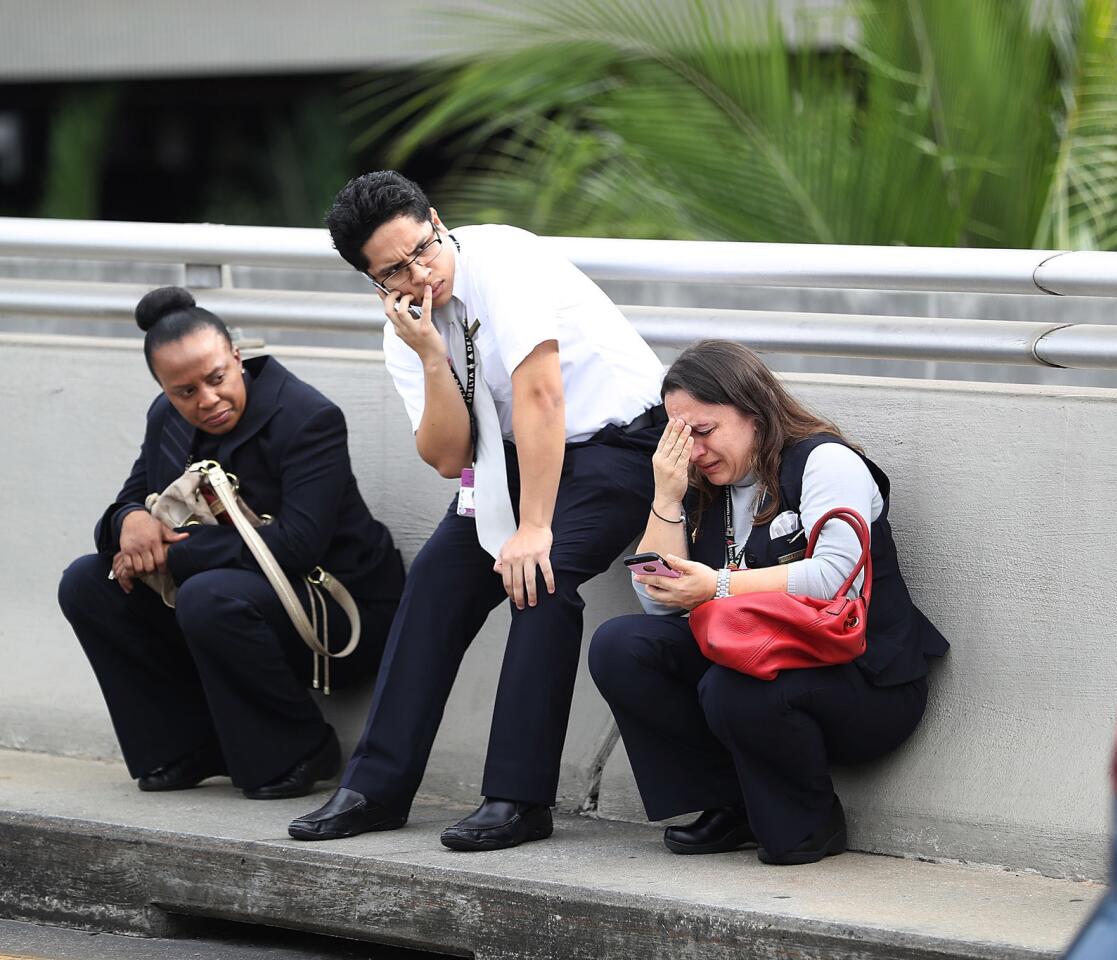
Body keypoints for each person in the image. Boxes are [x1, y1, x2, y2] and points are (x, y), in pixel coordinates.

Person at [289, 170, 666, 851]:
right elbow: (447, 456)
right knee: (435, 579)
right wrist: (432, 356)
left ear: (436, 220)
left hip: (618, 443)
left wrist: (534, 528)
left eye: (423, 251)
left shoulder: (503, 259)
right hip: (511, 458)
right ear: (372, 281)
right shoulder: (407, 328)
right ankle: (375, 787)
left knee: (539, 576)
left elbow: (542, 394)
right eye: (394, 271)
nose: (418, 274)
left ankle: (518, 800)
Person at [588, 340, 948, 865]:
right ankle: (730, 805)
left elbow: (834, 578)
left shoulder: (825, 462)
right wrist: (665, 497)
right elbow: (660, 606)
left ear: (754, 413)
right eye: (681, 436)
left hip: (863, 681)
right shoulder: (705, 482)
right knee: (622, 645)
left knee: (733, 684)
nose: (694, 452)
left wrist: (717, 586)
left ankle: (809, 823)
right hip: (761, 663)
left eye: (705, 431)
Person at [59, 287, 404, 800]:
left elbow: (296, 546)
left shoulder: (307, 417)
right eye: (185, 391)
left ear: (237, 357)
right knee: (87, 583)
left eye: (217, 378)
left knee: (208, 595)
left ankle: (302, 750)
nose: (207, 400)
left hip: (338, 609)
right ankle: (187, 746)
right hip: (236, 605)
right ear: (163, 389)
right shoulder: (167, 417)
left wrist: (174, 552)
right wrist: (129, 521)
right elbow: (135, 498)